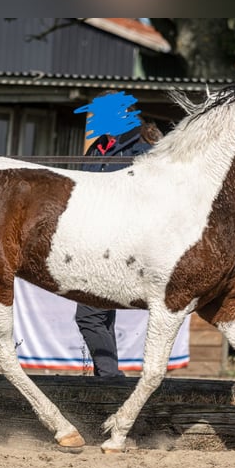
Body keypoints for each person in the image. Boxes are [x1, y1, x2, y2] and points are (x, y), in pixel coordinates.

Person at [76, 114, 162, 378]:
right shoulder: (98, 148)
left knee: (88, 316)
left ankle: (110, 379)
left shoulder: (140, 151)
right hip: (96, 242)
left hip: (122, 244)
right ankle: (109, 378)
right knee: (100, 316)